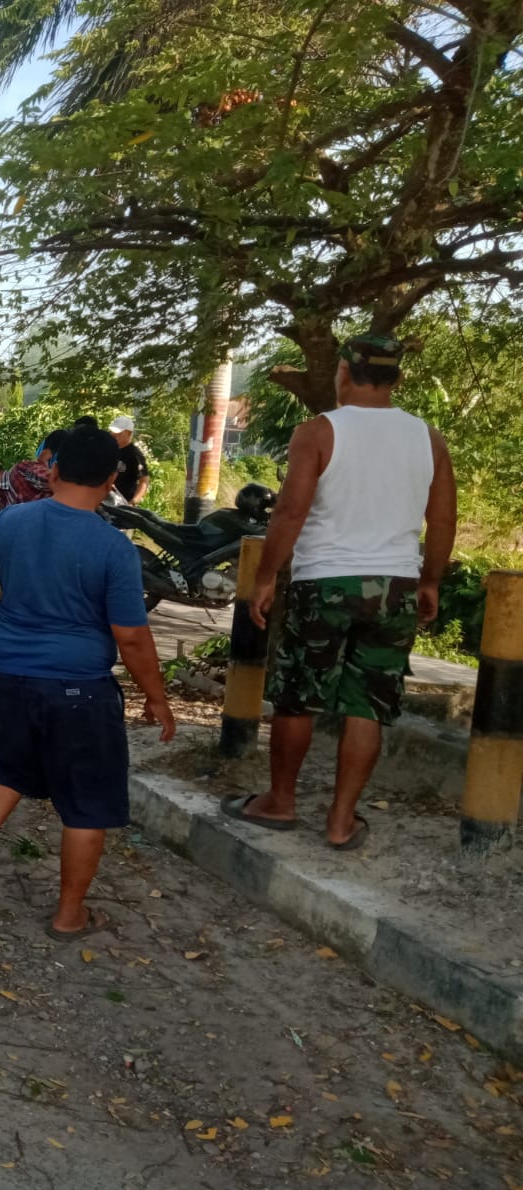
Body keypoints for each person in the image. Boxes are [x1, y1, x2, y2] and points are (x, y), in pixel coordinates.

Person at [0, 424, 176, 939]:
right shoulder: (114, 548)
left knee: (9, 765)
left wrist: (14, 605)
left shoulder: (12, 522)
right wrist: (156, 698)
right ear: (112, 479)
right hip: (78, 686)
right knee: (87, 800)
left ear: (54, 469)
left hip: (9, 674)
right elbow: (131, 637)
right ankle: (70, 915)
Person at [235, 334, 456, 850]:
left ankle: (281, 803)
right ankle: (340, 821)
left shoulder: (318, 431)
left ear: (343, 372)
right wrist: (429, 581)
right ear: (397, 379)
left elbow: (290, 511)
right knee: (367, 704)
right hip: (396, 585)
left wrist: (266, 577)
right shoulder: (429, 438)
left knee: (297, 699)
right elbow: (442, 518)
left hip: (326, 582)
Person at [110, 416, 150, 504]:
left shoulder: (134, 454)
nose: (114, 435)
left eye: (119, 433)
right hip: (105, 499)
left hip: (124, 501)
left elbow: (144, 479)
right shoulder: (108, 450)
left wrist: (134, 501)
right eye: (112, 432)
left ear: (129, 433)